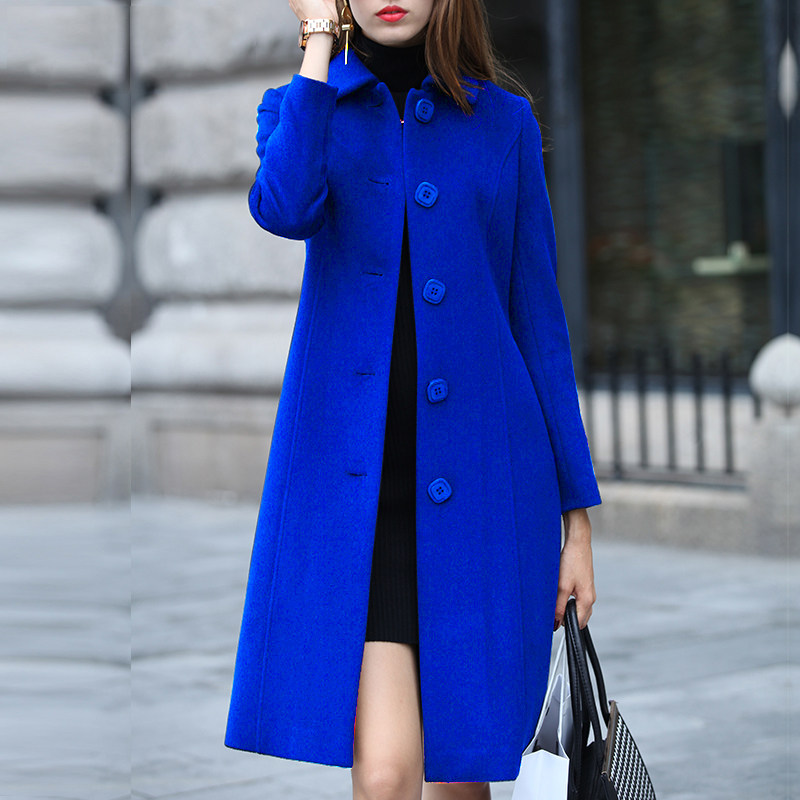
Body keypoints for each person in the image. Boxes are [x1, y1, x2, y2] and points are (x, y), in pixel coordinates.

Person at [224, 1, 602, 797]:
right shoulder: (302, 106)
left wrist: (577, 523)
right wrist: (317, 42)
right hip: (359, 500)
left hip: (485, 494)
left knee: (461, 776)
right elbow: (284, 208)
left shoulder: (505, 124)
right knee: (389, 772)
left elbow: (539, 326)